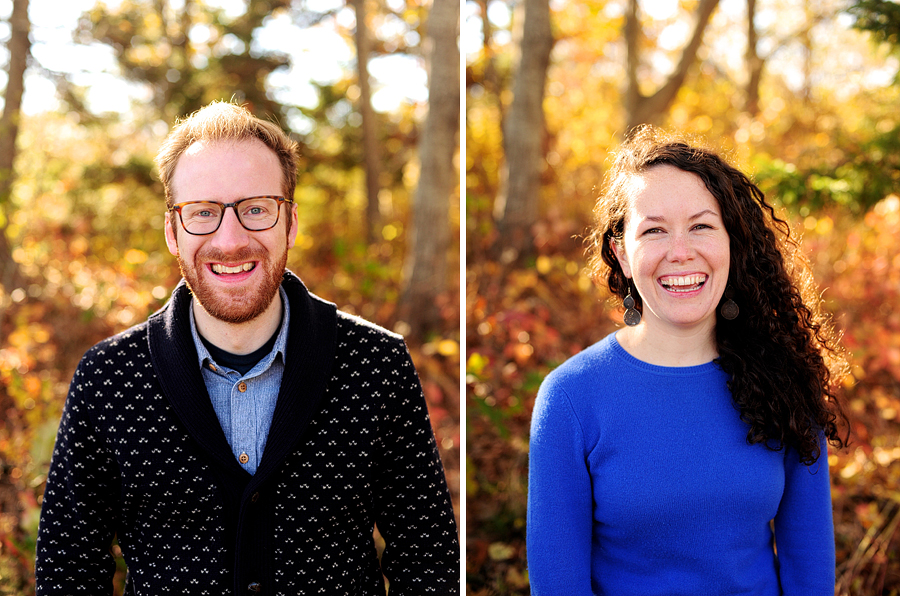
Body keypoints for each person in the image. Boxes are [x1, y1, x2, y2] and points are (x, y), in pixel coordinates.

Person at [35, 101, 460, 595]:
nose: (230, 239)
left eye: (256, 209)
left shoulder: (374, 364)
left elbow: (427, 557)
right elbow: (68, 572)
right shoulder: (109, 379)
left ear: (290, 223)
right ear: (173, 231)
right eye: (203, 213)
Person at [526, 125, 849, 595]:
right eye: (654, 230)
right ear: (621, 253)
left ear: (732, 242)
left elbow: (810, 570)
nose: (681, 252)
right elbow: (558, 585)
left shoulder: (783, 378)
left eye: (701, 226)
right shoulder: (571, 399)